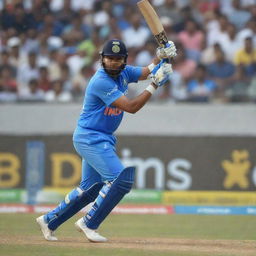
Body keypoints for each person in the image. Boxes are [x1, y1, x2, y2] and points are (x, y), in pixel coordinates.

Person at [36, 38, 176, 242]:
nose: (113, 62)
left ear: (124, 61)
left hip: (102, 138)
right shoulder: (101, 81)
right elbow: (131, 107)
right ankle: (88, 222)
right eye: (109, 58)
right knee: (121, 179)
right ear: (102, 59)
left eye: (118, 59)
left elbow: (146, 71)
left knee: (90, 190)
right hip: (90, 137)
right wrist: (155, 85)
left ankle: (49, 220)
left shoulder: (124, 72)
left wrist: (161, 56)